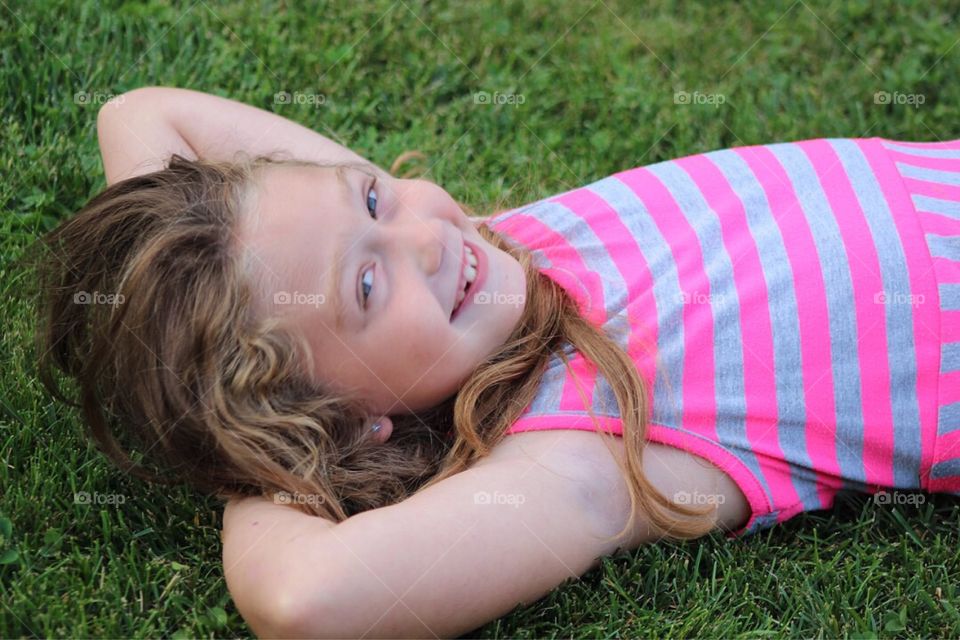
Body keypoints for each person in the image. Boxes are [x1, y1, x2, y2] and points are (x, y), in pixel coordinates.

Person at [33, 86, 959, 638]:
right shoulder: (577, 458)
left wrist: (194, 298)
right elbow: (302, 602)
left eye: (372, 194)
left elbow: (144, 114)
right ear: (351, 417)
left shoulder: (485, 253)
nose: (419, 238)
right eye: (363, 287)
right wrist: (262, 446)